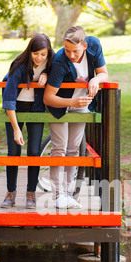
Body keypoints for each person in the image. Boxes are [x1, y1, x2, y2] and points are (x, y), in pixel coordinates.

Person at [43, 26, 108, 209]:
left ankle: (69, 194)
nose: (71, 54)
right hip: (60, 106)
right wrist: (71, 102)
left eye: (75, 51)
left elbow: (103, 73)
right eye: (67, 49)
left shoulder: (94, 45)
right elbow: (48, 97)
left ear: (85, 45)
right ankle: (58, 195)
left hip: (82, 105)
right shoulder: (60, 60)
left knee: (73, 149)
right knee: (59, 148)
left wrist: (95, 80)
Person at [0, 33, 54, 209]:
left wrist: (46, 72)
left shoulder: (51, 62)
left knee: (34, 150)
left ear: (48, 53)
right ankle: (10, 193)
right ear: (30, 51)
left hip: (36, 108)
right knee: (13, 150)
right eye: (35, 53)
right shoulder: (19, 65)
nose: (39, 58)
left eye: (43, 54)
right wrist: (16, 129)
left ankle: (31, 194)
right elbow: (8, 99)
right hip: (15, 108)